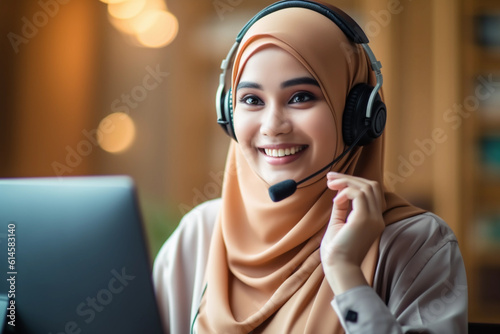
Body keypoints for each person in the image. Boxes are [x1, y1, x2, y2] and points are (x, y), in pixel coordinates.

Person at [153, 1, 468, 333]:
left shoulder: (419, 244)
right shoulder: (199, 234)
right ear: (228, 115)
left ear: (359, 116)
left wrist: (345, 272)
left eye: (301, 97)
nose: (273, 126)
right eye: (251, 100)